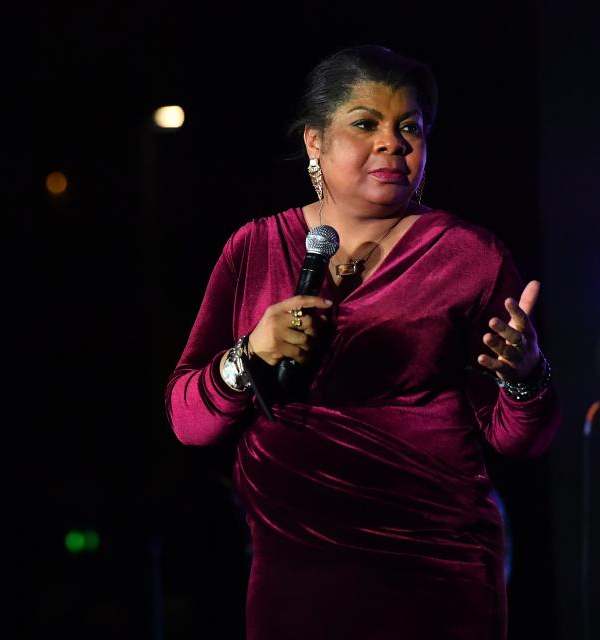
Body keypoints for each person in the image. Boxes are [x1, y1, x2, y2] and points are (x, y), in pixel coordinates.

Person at [164, 45, 560, 640]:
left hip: (434, 573)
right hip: (293, 576)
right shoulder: (255, 247)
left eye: (410, 128)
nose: (392, 143)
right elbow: (188, 421)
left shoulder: (468, 255)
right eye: (365, 123)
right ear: (314, 143)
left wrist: (524, 375)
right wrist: (247, 358)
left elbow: (518, 439)